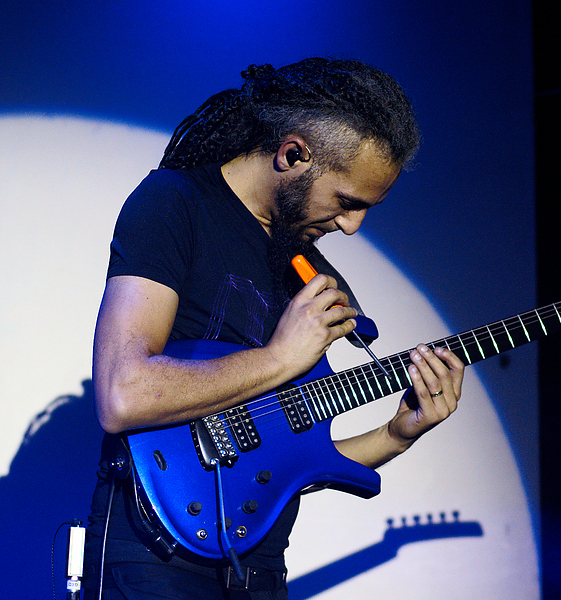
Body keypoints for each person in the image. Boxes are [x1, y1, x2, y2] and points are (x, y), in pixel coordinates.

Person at [82, 58, 465, 599]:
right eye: (348, 202)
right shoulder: (174, 203)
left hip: (257, 568)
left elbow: (289, 459)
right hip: (152, 555)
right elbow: (122, 393)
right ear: (292, 154)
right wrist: (281, 358)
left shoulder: (309, 271)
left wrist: (398, 433)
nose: (353, 226)